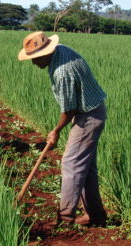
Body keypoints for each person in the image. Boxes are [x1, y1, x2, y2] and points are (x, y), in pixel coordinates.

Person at [18, 31, 108, 226]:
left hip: (88, 116)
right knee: (86, 168)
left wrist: (56, 130)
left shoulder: (62, 72)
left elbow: (69, 109)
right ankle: (96, 216)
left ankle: (65, 218)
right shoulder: (61, 51)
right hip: (91, 111)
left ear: (45, 53)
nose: (33, 63)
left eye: (35, 59)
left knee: (71, 164)